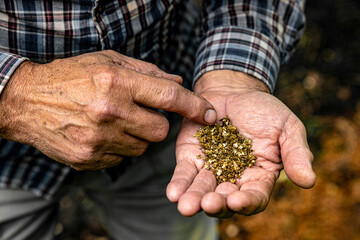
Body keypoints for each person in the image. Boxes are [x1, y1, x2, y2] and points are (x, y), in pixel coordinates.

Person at [0, 0, 316, 239]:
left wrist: (234, 76)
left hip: (169, 131)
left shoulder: (201, 139)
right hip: (5, 160)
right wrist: (14, 95)